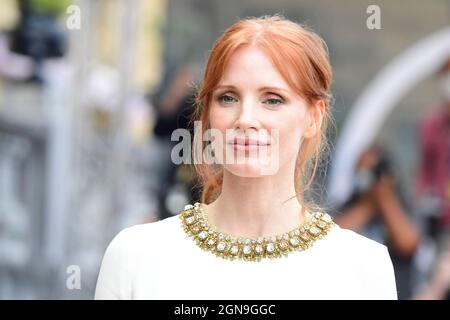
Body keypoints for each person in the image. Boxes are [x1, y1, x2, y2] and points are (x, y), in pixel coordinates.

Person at [95, 14, 397, 300]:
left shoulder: (363, 267)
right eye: (228, 97)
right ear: (209, 112)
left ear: (313, 117)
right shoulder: (135, 256)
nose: (246, 118)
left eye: (273, 100)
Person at [334, 147, 421, 299]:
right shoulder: (347, 206)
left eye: (372, 171)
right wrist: (368, 204)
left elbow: (408, 243)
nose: (366, 177)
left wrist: (383, 195)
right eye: (361, 171)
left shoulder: (403, 206)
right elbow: (331, 240)